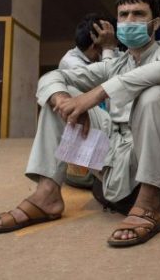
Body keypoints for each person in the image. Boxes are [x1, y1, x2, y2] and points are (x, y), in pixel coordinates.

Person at [0, 0, 160, 248]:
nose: (130, 20)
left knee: (153, 95)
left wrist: (97, 94)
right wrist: (65, 102)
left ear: (155, 23)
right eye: (123, 15)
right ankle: (47, 195)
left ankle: (149, 204)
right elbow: (54, 77)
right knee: (63, 100)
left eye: (138, 14)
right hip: (118, 156)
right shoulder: (115, 64)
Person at [58, 13, 119, 189]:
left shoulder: (102, 54)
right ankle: (87, 173)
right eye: (109, 42)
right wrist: (108, 49)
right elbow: (109, 86)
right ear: (95, 45)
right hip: (86, 129)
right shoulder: (71, 63)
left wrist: (109, 50)